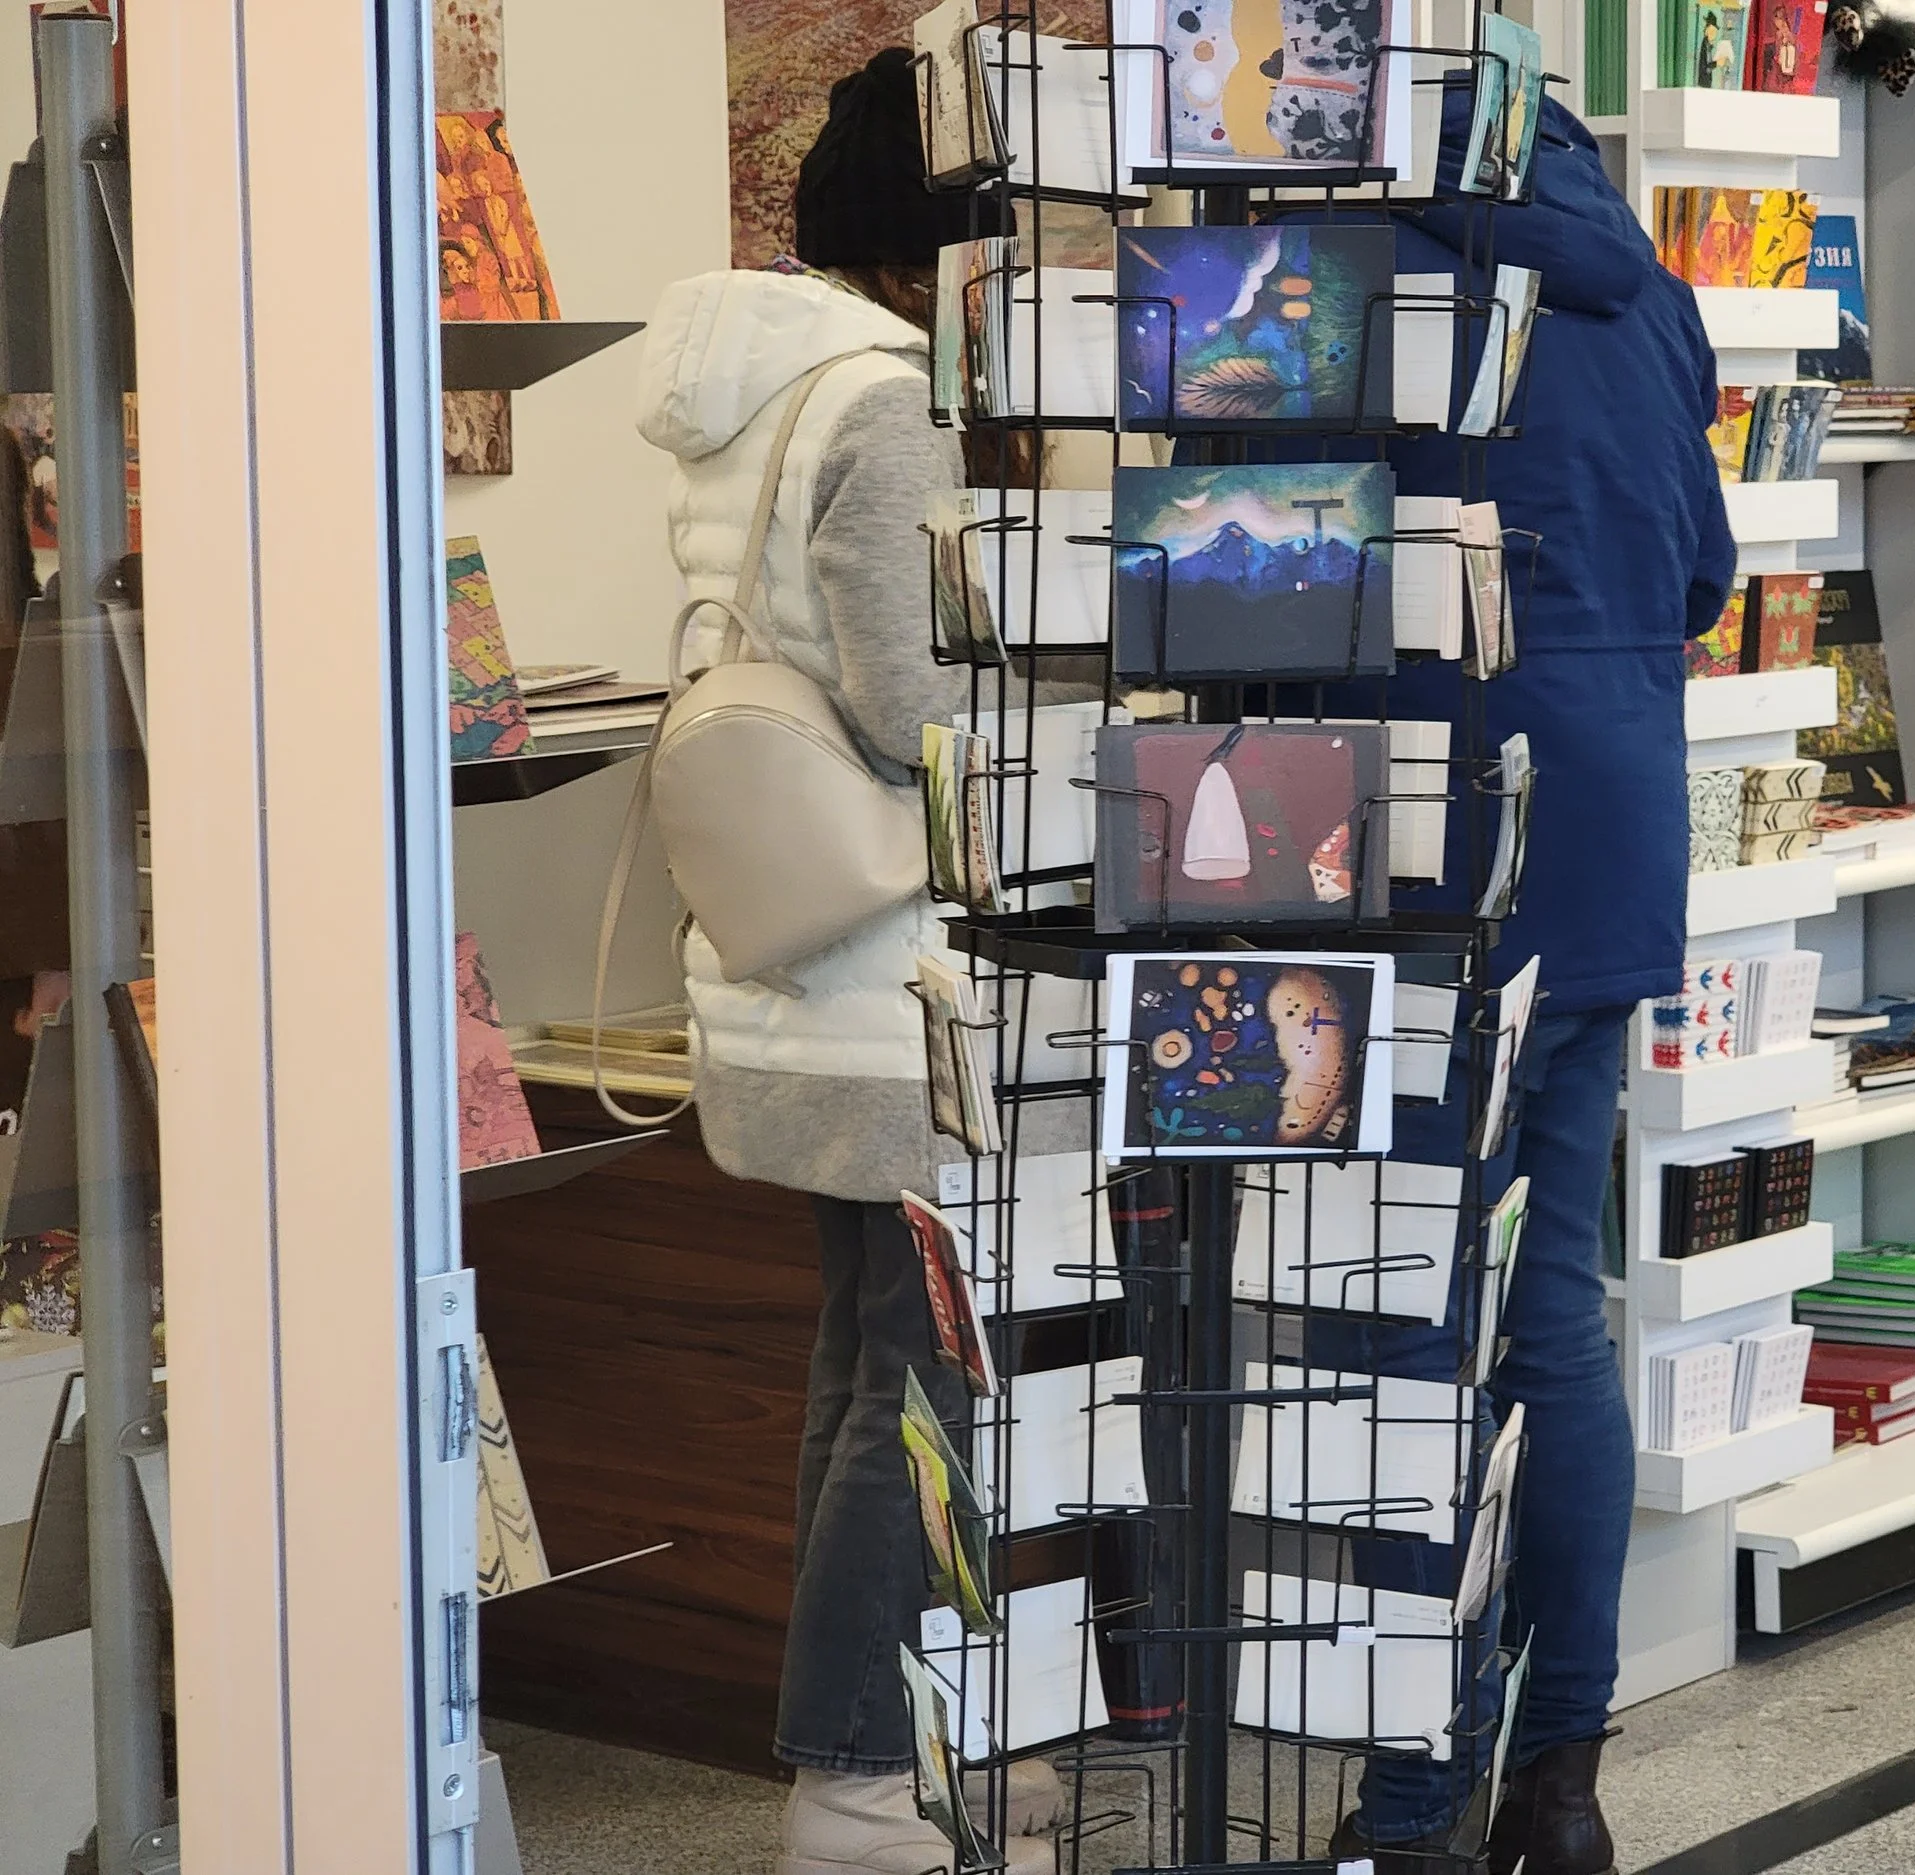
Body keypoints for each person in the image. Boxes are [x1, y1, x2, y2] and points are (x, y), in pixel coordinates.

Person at [1288, 79, 1734, 1875]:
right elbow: (1699, 573)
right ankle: (1560, 1784)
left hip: (1420, 843)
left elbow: (1271, 582)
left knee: (1408, 1327)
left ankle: (1417, 1789)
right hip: (1607, 834)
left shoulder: (1348, 279)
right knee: (1550, 1316)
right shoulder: (1650, 291)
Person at [634, 50, 1062, 1875]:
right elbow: (910, 702)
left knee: (864, 1360)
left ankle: (879, 1757)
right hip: (900, 986)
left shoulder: (747, 393)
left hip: (783, 965)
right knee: (924, 1383)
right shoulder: (882, 399)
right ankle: (864, 1783)